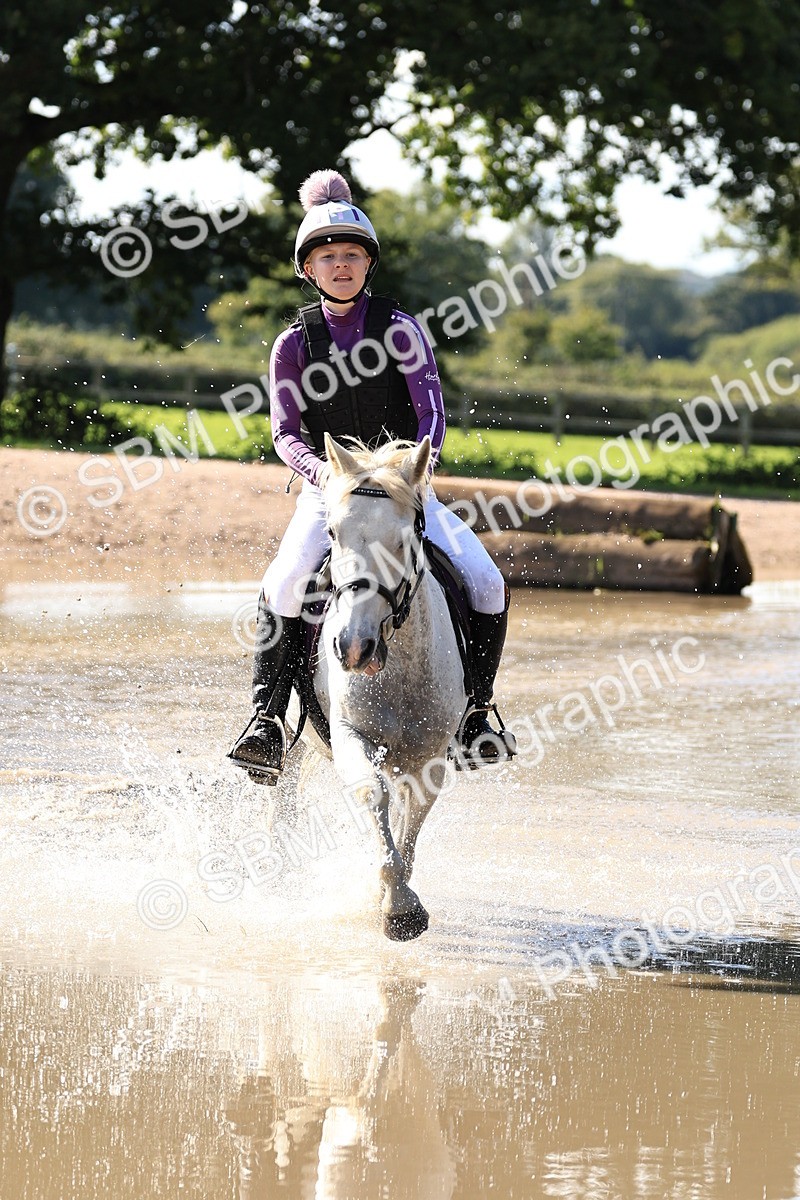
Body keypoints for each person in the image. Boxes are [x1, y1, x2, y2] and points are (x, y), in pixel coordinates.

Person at [229, 169, 516, 783]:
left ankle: (478, 715)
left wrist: (414, 471)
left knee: (487, 582)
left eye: (352, 255)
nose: (341, 265)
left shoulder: (402, 329)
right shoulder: (291, 344)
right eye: (328, 257)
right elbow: (285, 434)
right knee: (283, 587)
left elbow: (432, 413)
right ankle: (267, 718)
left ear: (367, 264)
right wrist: (328, 480)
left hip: (404, 488)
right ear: (309, 268)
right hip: (327, 493)